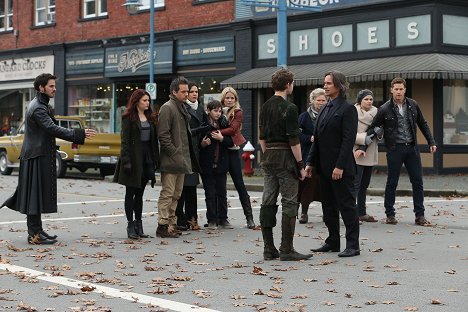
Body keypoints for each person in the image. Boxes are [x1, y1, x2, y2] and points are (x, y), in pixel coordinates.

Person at [1, 73, 96, 245]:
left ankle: (37, 231)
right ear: (41, 88)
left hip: (36, 154)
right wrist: (78, 134)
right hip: (35, 156)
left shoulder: (40, 104)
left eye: (54, 85)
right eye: (51, 86)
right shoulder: (38, 107)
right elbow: (52, 128)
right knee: (34, 196)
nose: (54, 89)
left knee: (35, 195)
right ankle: (34, 234)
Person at [259, 68, 312, 261]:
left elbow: (262, 138)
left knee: (267, 200)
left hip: (269, 157)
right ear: (288, 85)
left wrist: (268, 155)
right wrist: (300, 164)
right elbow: (294, 140)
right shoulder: (290, 108)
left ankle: (268, 248)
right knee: (290, 201)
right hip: (285, 158)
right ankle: (286, 248)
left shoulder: (265, 106)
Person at [367, 77, 437, 226]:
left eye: (401, 89)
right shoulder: (384, 108)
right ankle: (390, 214)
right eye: (396, 89)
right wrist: (364, 145)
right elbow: (372, 128)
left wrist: (431, 141)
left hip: (412, 148)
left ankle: (420, 216)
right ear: (391, 90)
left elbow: (422, 123)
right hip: (395, 149)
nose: (398, 92)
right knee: (392, 182)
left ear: (405, 90)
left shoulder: (413, 105)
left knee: (417, 181)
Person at [305, 70, 360, 257]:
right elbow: (317, 139)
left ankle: (353, 245)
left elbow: (348, 140)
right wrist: (310, 162)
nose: (325, 86)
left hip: (340, 168)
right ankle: (333, 241)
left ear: (339, 85)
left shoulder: (347, 109)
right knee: (328, 206)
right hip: (323, 167)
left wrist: (340, 166)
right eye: (324, 83)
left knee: (347, 206)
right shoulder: (325, 108)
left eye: (328, 83)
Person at [156, 76, 200, 238]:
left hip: (181, 158)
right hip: (172, 159)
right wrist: (174, 152)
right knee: (168, 193)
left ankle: (171, 225)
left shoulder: (181, 107)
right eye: (183, 91)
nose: (186, 94)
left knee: (176, 194)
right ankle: (162, 225)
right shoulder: (168, 108)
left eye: (187, 91)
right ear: (174, 92)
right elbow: (163, 134)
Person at [113, 89, 159, 239]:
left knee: (140, 194)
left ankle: (139, 225)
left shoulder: (150, 117)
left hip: (146, 159)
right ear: (137, 101)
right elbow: (124, 142)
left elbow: (154, 142)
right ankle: (130, 225)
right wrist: (126, 161)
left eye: (148, 100)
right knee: (130, 193)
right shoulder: (128, 118)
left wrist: (155, 161)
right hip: (133, 159)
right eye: (144, 100)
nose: (147, 103)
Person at [219, 87, 256, 229]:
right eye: (227, 97)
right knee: (220, 186)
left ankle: (249, 218)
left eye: (232, 98)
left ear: (235, 100)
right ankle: (221, 218)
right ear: (223, 98)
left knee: (239, 184)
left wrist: (216, 132)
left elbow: (233, 129)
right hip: (221, 150)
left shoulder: (238, 112)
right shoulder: (218, 111)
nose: (229, 100)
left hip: (233, 151)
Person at [175, 82, 209, 231]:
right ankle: (181, 219)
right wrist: (198, 130)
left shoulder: (201, 109)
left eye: (196, 91)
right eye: (192, 91)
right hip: (186, 152)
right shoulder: (183, 108)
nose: (195, 94)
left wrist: (204, 138)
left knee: (192, 188)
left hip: (197, 152)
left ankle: (192, 219)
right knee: (182, 188)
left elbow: (206, 128)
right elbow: (183, 131)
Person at [199, 100, 234, 229]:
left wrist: (222, 139)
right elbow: (197, 142)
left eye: (220, 111)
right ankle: (212, 219)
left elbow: (231, 141)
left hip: (221, 162)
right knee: (210, 193)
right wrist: (203, 144)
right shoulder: (203, 123)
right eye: (215, 110)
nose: (218, 113)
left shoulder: (224, 123)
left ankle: (223, 218)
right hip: (207, 163)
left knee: (222, 192)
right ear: (208, 110)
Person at [298, 88, 326, 224]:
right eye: (318, 100)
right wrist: (310, 138)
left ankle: (327, 212)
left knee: (325, 186)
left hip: (325, 156)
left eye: (323, 100)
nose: (321, 103)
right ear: (312, 101)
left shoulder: (329, 114)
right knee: (307, 184)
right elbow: (297, 135)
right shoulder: (304, 116)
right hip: (308, 155)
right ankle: (304, 212)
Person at [352, 89, 380, 223]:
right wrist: (364, 140)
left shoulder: (376, 113)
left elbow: (378, 131)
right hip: (356, 152)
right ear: (360, 101)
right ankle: (351, 213)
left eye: (371, 99)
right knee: (355, 185)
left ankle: (361, 212)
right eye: (366, 99)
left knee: (364, 185)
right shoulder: (352, 112)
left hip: (370, 152)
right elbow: (348, 133)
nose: (369, 101)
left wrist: (378, 133)